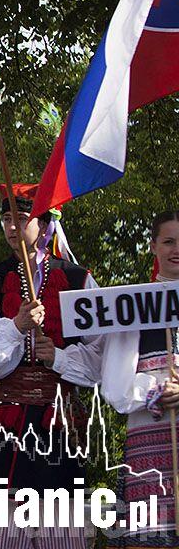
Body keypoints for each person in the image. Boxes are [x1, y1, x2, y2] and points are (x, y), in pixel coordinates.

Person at [0, 184, 101, 549]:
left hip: (59, 424)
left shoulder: (77, 281)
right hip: (5, 425)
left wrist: (57, 357)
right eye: (6, 218)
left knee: (62, 531)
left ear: (44, 224)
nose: (12, 226)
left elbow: (100, 362)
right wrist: (16, 328)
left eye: (21, 218)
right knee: (4, 532)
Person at [99, 211, 179, 548]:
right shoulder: (131, 304)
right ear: (153, 246)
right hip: (151, 444)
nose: (177, 249)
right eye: (169, 241)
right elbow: (114, 389)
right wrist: (156, 391)